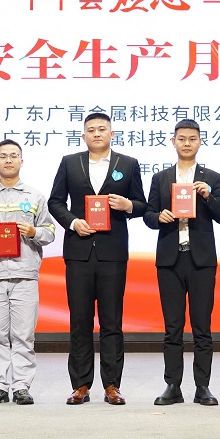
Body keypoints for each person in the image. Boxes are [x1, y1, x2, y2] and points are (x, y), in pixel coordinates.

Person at [48, 112, 147, 406]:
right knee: (79, 320)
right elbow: (55, 201)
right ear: (84, 135)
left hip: (112, 253)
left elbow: (142, 204)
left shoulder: (128, 164)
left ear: (111, 134)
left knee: (111, 320)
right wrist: (72, 222)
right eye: (91, 130)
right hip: (78, 252)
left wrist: (128, 205)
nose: (96, 133)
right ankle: (80, 384)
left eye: (102, 129)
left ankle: (112, 385)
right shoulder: (70, 162)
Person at [144, 119, 220, 407]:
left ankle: (202, 386)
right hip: (170, 259)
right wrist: (159, 217)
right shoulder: (161, 178)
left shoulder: (212, 177)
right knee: (173, 327)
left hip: (201, 260)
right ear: (173, 142)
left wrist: (207, 195)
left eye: (192, 138)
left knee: (202, 327)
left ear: (200, 142)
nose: (187, 143)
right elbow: (148, 215)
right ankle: (173, 385)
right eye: (182, 138)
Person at [0, 139, 55, 406]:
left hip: (25, 274)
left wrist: (34, 231)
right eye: (3, 156)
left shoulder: (35, 196)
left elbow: (49, 232)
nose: (8, 160)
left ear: (21, 161)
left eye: (13, 155)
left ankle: (21, 386)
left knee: (24, 335)